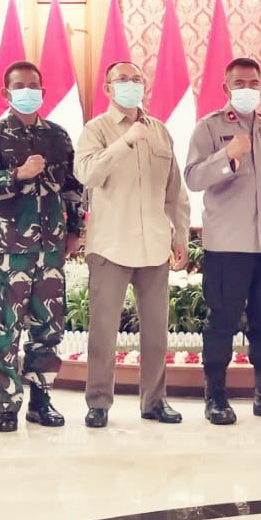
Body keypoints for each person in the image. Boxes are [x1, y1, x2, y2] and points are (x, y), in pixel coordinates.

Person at [185, 56, 261, 425]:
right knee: (222, 321)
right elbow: (193, 178)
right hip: (227, 244)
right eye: (240, 83)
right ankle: (216, 398)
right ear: (226, 87)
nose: (248, 89)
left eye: (253, 83)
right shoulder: (209, 128)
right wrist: (227, 156)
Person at [75, 61, 191, 428]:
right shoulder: (96, 129)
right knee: (103, 331)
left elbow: (175, 191)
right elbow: (87, 174)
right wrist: (124, 143)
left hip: (153, 244)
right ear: (107, 88)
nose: (131, 85)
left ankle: (154, 401)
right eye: (122, 80)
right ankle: (98, 403)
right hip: (110, 245)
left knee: (156, 331)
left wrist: (181, 234)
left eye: (136, 79)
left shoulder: (160, 131)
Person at [0, 61, 86, 432]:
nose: (27, 91)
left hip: (50, 247)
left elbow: (73, 187)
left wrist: (75, 230)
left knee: (48, 329)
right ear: (6, 93)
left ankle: (41, 400)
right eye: (19, 85)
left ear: (42, 91)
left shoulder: (58, 136)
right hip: (9, 249)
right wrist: (17, 173)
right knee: (6, 331)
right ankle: (6, 406)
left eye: (33, 85)